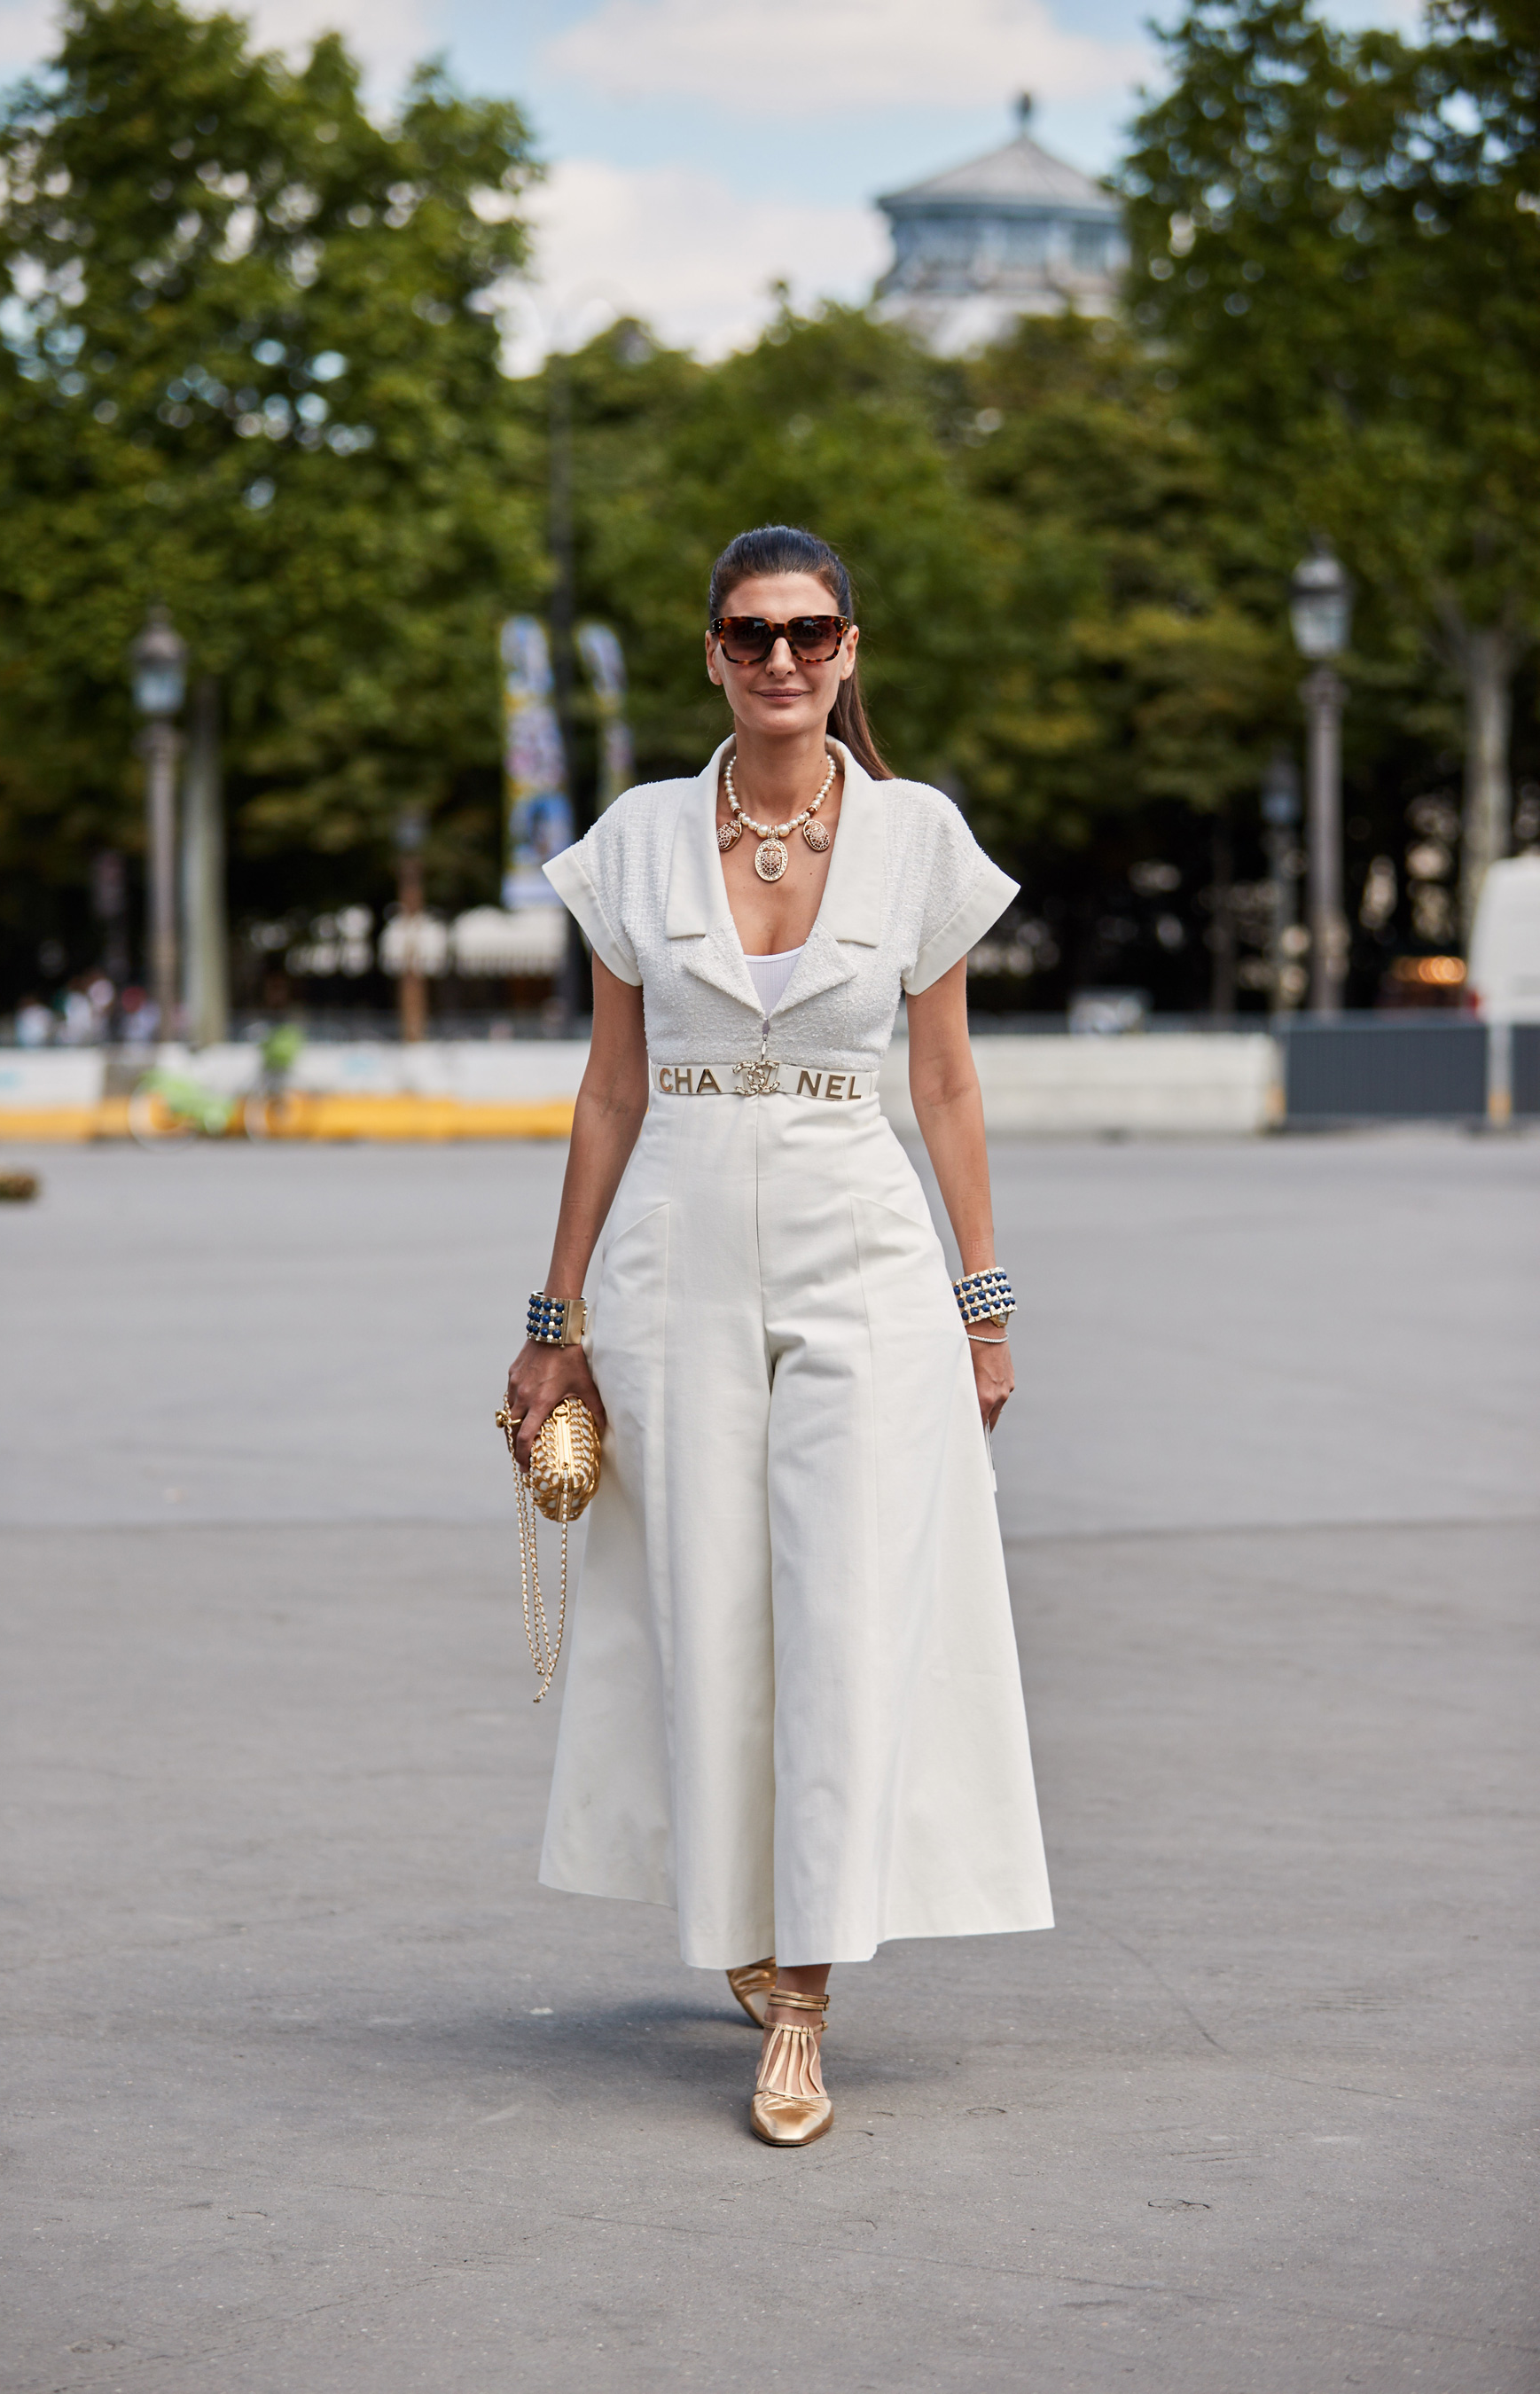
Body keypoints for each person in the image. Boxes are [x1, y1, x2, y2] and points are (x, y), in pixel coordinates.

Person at [504, 524, 1051, 2149]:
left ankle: (803, 1993)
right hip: (676, 1238)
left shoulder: (915, 839)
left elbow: (943, 1082)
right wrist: (556, 1319)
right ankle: (743, 1925)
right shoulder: (638, 838)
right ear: (713, 655)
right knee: (703, 1598)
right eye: (753, 636)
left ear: (851, 649)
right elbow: (609, 1089)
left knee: (841, 1599)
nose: (784, 663)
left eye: (811, 634)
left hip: (861, 1242)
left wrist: (985, 1301)